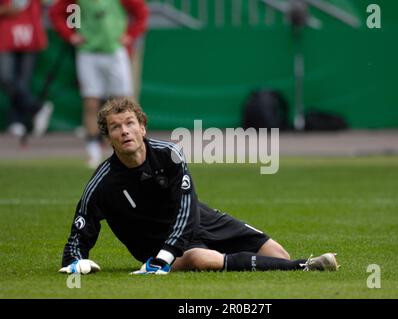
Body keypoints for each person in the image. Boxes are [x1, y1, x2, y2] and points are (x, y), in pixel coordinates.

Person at [58, 98, 339, 275]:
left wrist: (169, 253)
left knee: (277, 254)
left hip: (198, 219)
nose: (125, 131)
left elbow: (186, 208)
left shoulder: (170, 155)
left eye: (130, 123)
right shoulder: (103, 182)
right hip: (154, 244)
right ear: (109, 138)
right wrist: (75, 260)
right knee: (201, 258)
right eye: (116, 127)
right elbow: (81, 228)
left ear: (142, 127)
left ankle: (240, 261)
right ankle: (306, 265)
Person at [49, 0, 149, 168]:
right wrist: (70, 35)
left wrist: (131, 35)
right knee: (91, 102)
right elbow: (56, 13)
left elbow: (141, 13)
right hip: (88, 54)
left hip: (115, 52)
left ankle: (134, 149)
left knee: (124, 102)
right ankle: (93, 151)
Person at [0, 0, 53, 138]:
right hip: (6, 31)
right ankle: (37, 108)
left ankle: (16, 121)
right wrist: (4, 10)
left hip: (30, 31)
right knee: (6, 78)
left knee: (23, 82)